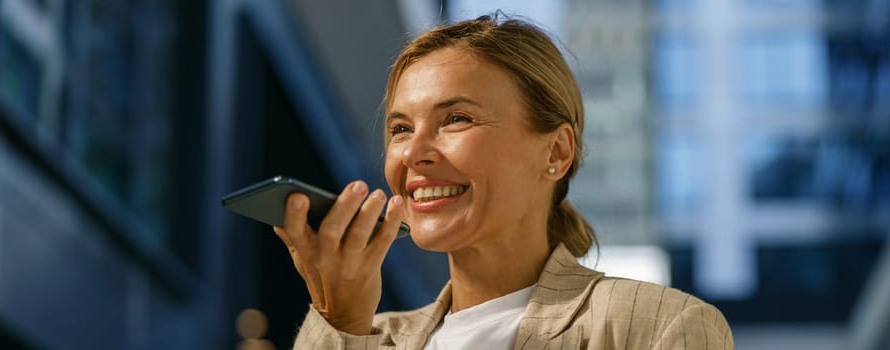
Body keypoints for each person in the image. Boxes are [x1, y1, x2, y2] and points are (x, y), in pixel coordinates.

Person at [273, 14, 734, 349]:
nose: (413, 153)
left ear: (556, 151)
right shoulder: (371, 337)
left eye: (455, 118)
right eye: (400, 129)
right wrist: (343, 324)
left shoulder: (660, 328)